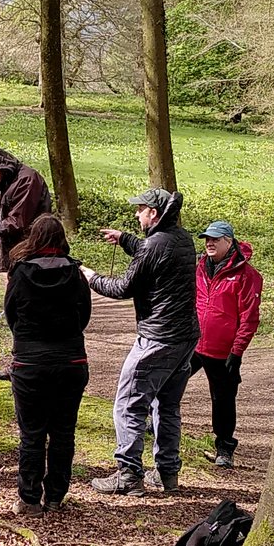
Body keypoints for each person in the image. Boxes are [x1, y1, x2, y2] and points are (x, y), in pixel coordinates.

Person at [82, 188, 198, 495]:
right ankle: (168, 473)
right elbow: (153, 254)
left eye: (142, 209)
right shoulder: (182, 239)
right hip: (186, 337)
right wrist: (125, 239)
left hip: (158, 338)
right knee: (168, 406)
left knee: (129, 403)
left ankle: (128, 474)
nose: (137, 214)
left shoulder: (153, 246)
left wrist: (91, 278)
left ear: (155, 214)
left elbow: (123, 287)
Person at [2, 213, 92, 515]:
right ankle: (55, 495)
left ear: (34, 238)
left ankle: (29, 498)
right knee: (64, 431)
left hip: (30, 362)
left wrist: (28, 340)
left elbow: (11, 313)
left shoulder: (20, 273)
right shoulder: (76, 274)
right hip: (70, 359)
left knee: (32, 434)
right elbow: (84, 316)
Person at [192, 220, 263, 469]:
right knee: (166, 378)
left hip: (223, 351)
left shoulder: (247, 275)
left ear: (229, 242)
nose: (209, 243)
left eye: (215, 239)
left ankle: (224, 447)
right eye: (207, 239)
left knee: (223, 398)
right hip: (192, 342)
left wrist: (237, 351)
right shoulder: (199, 267)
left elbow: (250, 317)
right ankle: (155, 423)